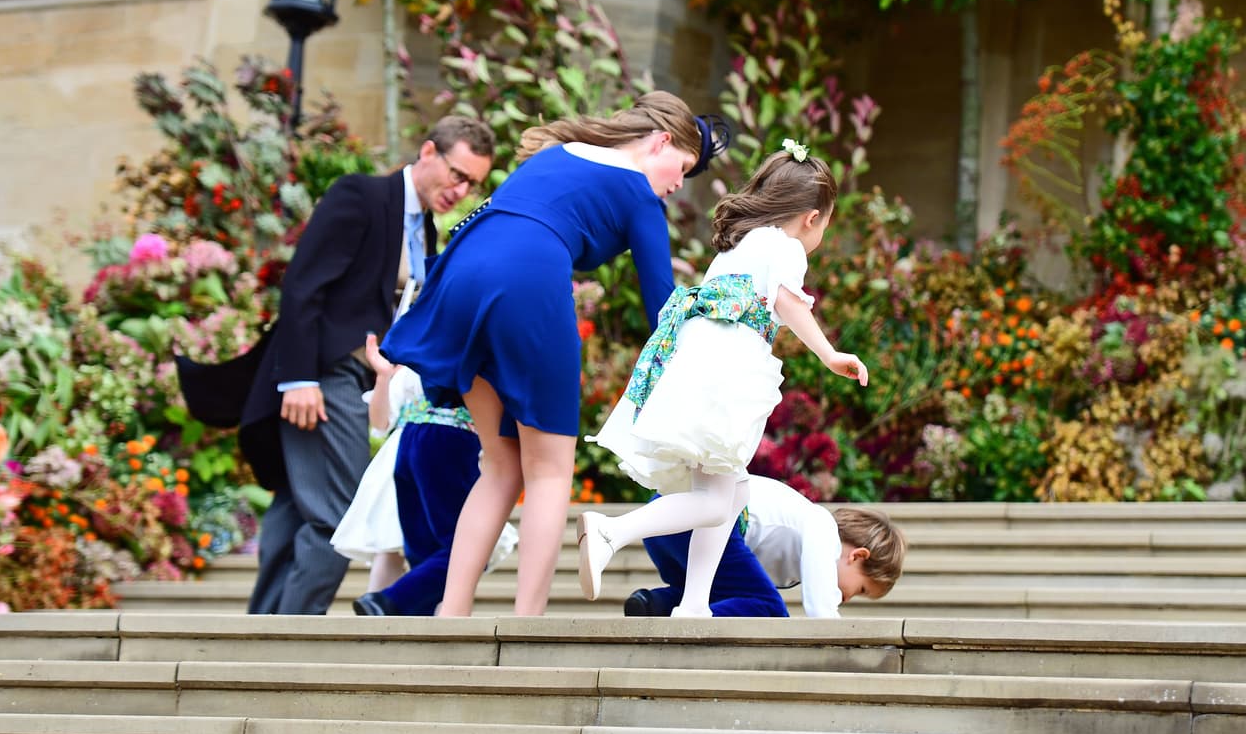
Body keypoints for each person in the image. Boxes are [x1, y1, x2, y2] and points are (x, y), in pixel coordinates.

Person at [381, 91, 730, 616]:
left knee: (500, 465)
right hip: (528, 281)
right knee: (549, 470)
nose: (679, 183)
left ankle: (450, 614)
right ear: (661, 141)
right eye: (682, 167)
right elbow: (664, 307)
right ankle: (527, 622)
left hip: (460, 272)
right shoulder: (639, 193)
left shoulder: (556, 154)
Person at [179, 115, 496, 615]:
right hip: (323, 374)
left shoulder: (427, 233)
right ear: (428, 152)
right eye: (457, 174)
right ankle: (296, 636)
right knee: (338, 511)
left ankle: (263, 632)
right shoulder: (362, 196)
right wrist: (299, 378)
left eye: (472, 184)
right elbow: (304, 284)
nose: (461, 190)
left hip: (362, 379)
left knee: (294, 507)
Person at [579, 141, 869, 617]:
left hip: (698, 362)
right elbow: (788, 301)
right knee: (714, 502)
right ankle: (611, 532)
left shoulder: (744, 244)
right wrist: (830, 353)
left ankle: (694, 602)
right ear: (812, 218)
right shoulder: (785, 247)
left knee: (733, 494)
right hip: (728, 372)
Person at [340, 334, 516, 616]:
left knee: (425, 550)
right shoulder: (472, 341)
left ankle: (401, 612)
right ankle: (389, 600)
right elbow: (380, 423)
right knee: (470, 547)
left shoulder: (421, 350)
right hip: (448, 439)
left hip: (410, 444)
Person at [623, 475, 905, 618]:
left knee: (724, 596)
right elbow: (821, 610)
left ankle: (653, 605)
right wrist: (840, 640)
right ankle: (688, 625)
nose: (849, 598)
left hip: (665, 518)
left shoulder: (801, 552)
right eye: (861, 589)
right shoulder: (822, 525)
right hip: (701, 520)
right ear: (857, 556)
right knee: (769, 609)